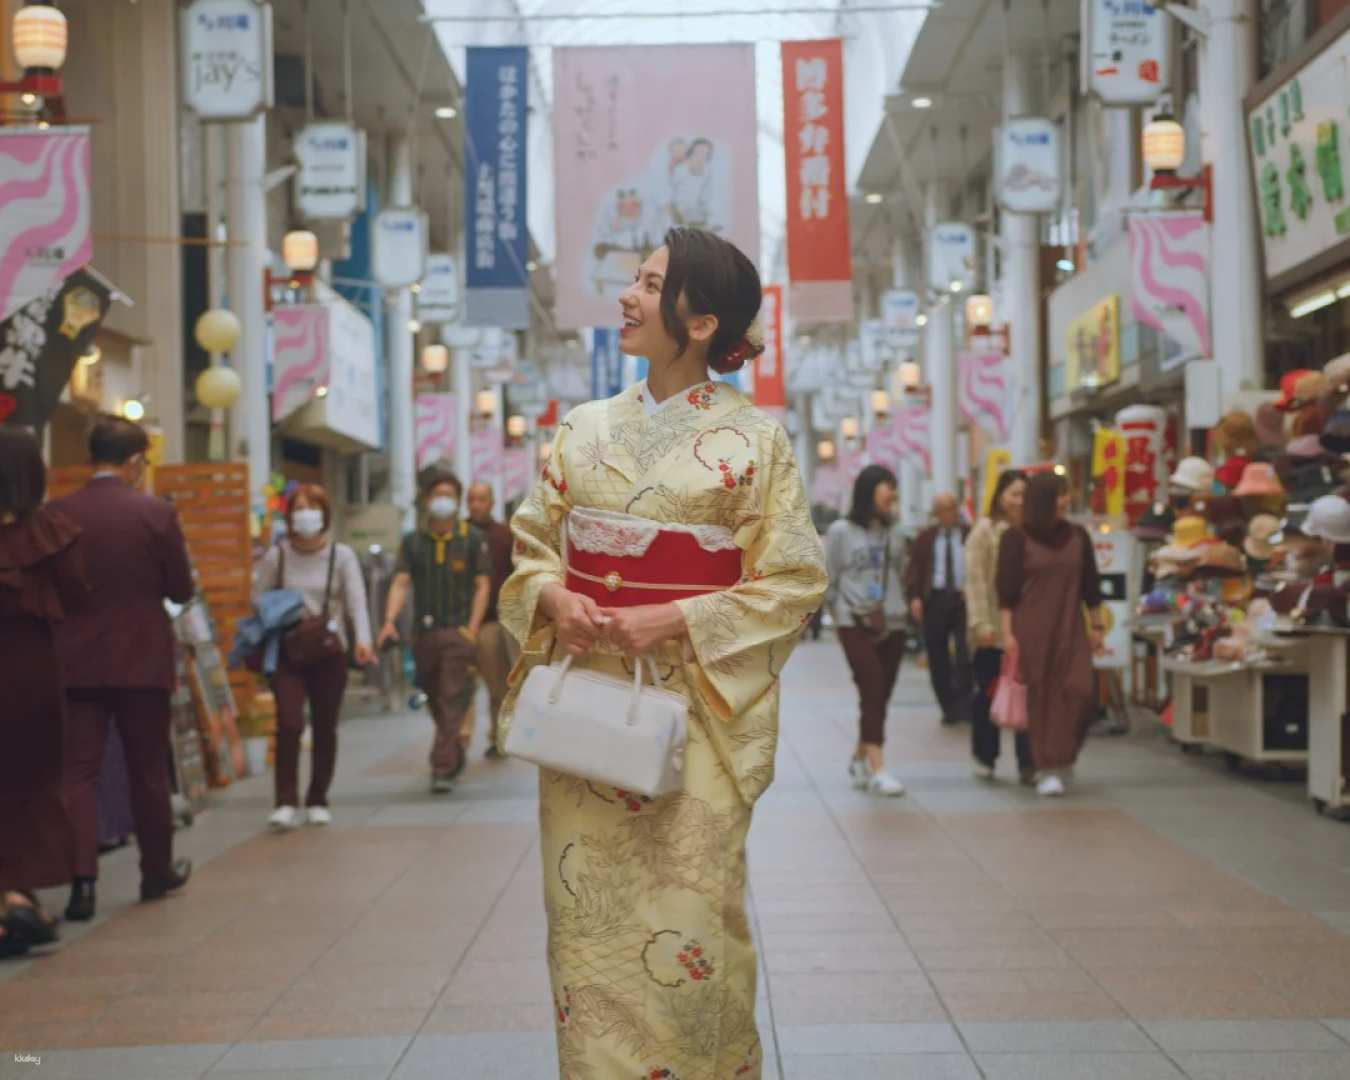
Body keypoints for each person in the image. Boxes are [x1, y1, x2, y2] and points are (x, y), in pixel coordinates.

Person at [500, 226, 827, 1079]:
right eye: (633, 280)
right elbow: (533, 545)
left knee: (692, 922)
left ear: (701, 321)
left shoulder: (755, 444)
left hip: (691, 713)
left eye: (650, 284)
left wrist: (674, 618)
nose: (627, 297)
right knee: (585, 928)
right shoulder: (582, 429)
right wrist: (552, 596)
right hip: (586, 717)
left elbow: (792, 579)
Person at [55, 416, 195, 920]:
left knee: (79, 773)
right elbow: (181, 589)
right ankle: (155, 871)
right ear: (135, 461)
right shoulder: (155, 513)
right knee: (147, 770)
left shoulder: (59, 514)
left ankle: (82, 883)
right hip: (141, 659)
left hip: (75, 663)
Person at [0, 429, 87, 959]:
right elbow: (78, 594)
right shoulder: (50, 531)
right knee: (30, 784)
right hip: (30, 676)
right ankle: (16, 894)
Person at [254, 484, 374, 831]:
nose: (305, 515)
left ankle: (318, 797)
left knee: (325, 725)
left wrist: (362, 640)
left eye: (312, 507)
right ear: (289, 516)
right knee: (289, 723)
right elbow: (257, 596)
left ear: (324, 514)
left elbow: (356, 601)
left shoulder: (342, 555)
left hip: (328, 651)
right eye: (298, 508)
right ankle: (285, 801)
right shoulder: (277, 556)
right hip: (288, 650)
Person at [378, 468, 491, 793]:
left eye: (449, 495)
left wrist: (472, 627)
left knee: (453, 695)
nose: (443, 501)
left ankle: (440, 767)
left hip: (458, 634)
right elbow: (401, 582)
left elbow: (482, 585)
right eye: (437, 495)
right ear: (427, 500)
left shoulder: (471, 538)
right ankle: (453, 755)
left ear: (457, 501)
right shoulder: (414, 542)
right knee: (436, 700)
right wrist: (388, 620)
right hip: (423, 636)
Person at [997, 471, 1106, 797]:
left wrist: (1097, 625)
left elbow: (1091, 585)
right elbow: (1006, 593)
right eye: (1059, 494)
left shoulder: (1078, 536)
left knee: (1081, 691)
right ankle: (1047, 767)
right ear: (1043, 499)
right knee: (1042, 698)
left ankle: (1063, 753)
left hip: (1071, 627)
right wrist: (1007, 634)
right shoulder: (1015, 538)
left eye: (1066, 493)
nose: (1065, 501)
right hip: (1031, 629)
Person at [825, 464, 908, 797]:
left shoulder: (897, 532)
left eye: (894, 487)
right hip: (852, 620)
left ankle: (860, 756)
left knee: (879, 695)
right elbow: (828, 576)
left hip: (893, 620)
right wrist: (838, 613)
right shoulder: (841, 531)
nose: (892, 494)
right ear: (868, 490)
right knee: (872, 685)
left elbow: (901, 573)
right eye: (886, 486)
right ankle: (879, 768)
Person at [964, 469, 1034, 783]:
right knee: (989, 692)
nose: (1019, 501)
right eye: (1013, 494)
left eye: (1024, 494)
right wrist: (980, 623)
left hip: (1026, 627)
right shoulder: (985, 530)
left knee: (1027, 695)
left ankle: (1029, 762)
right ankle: (985, 755)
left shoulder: (1036, 531)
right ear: (1000, 496)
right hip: (991, 626)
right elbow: (975, 581)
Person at [904, 492, 973, 724]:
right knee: (937, 655)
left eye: (951, 508)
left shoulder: (969, 534)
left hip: (964, 600)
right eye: (942, 510)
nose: (947, 514)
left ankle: (964, 705)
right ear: (935, 513)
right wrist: (915, 597)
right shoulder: (926, 538)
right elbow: (913, 569)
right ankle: (948, 707)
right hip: (935, 599)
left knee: (965, 654)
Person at [465, 481, 516, 758]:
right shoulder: (456, 534)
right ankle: (458, 739)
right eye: (471, 499)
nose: (475, 504)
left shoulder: (504, 536)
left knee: (497, 684)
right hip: (459, 623)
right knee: (458, 686)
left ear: (491, 502)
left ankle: (498, 737)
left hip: (492, 622)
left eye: (481, 499)